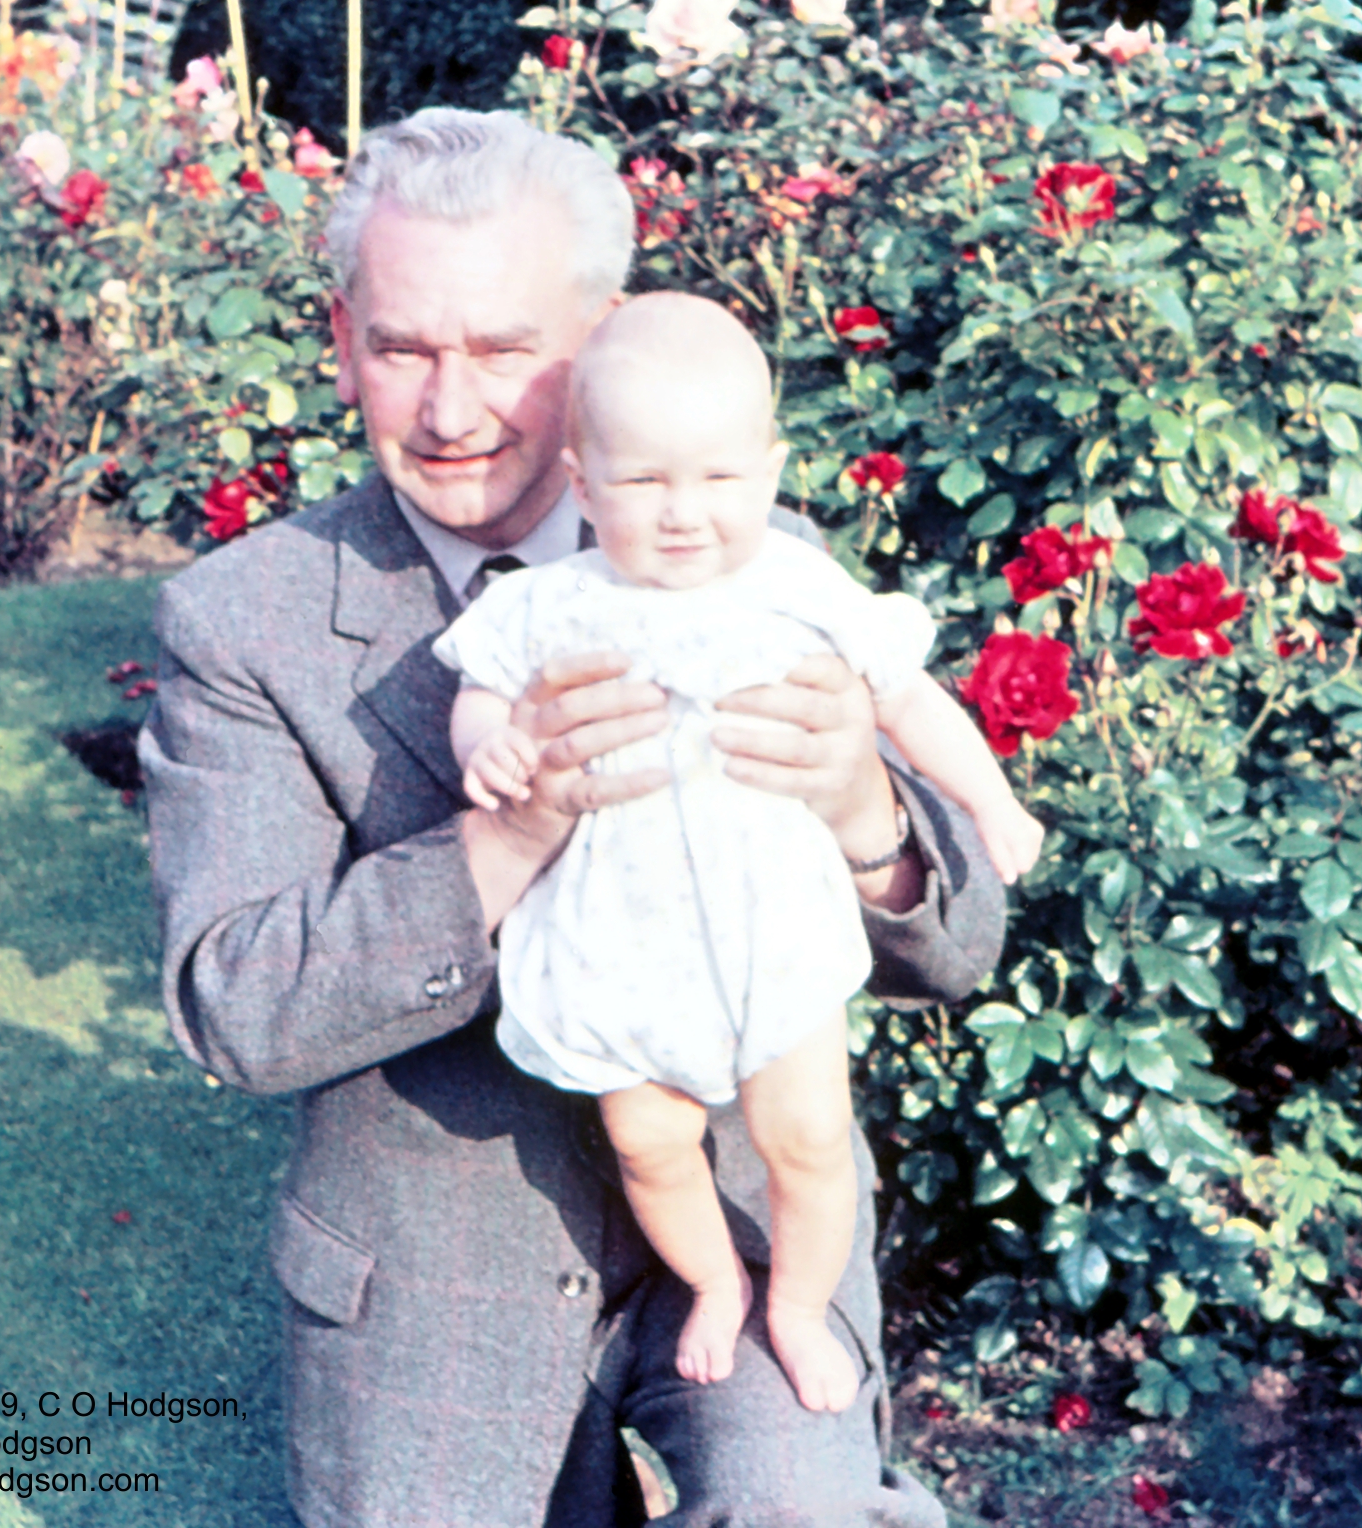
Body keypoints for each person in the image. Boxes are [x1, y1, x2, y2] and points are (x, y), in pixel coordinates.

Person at [139, 107, 1004, 1528]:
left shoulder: (757, 562)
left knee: (796, 1512)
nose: (451, 409)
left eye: (504, 350)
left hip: (750, 1217)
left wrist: (861, 802)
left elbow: (959, 947)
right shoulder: (245, 621)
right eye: (404, 348)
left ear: (602, 337)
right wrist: (507, 836)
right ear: (343, 341)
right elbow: (238, 1007)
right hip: (431, 1274)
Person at [435, 293, 1041, 1416]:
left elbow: (908, 700)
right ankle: (715, 1281)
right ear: (581, 484)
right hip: (620, 938)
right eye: (642, 481)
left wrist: (991, 800)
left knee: (807, 1136)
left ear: (769, 473)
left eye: (717, 478)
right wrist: (495, 748)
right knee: (648, 1139)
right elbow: (481, 696)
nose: (683, 514)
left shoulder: (797, 586)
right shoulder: (550, 604)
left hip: (773, 923)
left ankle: (799, 1306)